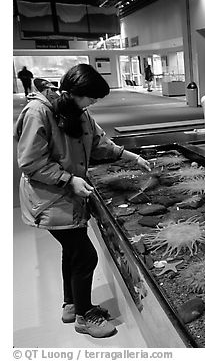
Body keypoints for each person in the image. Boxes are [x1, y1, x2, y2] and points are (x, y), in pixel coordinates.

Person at [14, 63, 151, 338]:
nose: (93, 103)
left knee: (73, 252)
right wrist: (69, 180)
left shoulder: (80, 112)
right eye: (91, 97)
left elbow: (99, 144)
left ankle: (71, 304)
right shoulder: (38, 112)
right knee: (85, 255)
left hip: (66, 199)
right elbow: (30, 161)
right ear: (75, 92)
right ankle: (84, 316)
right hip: (48, 199)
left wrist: (131, 157)